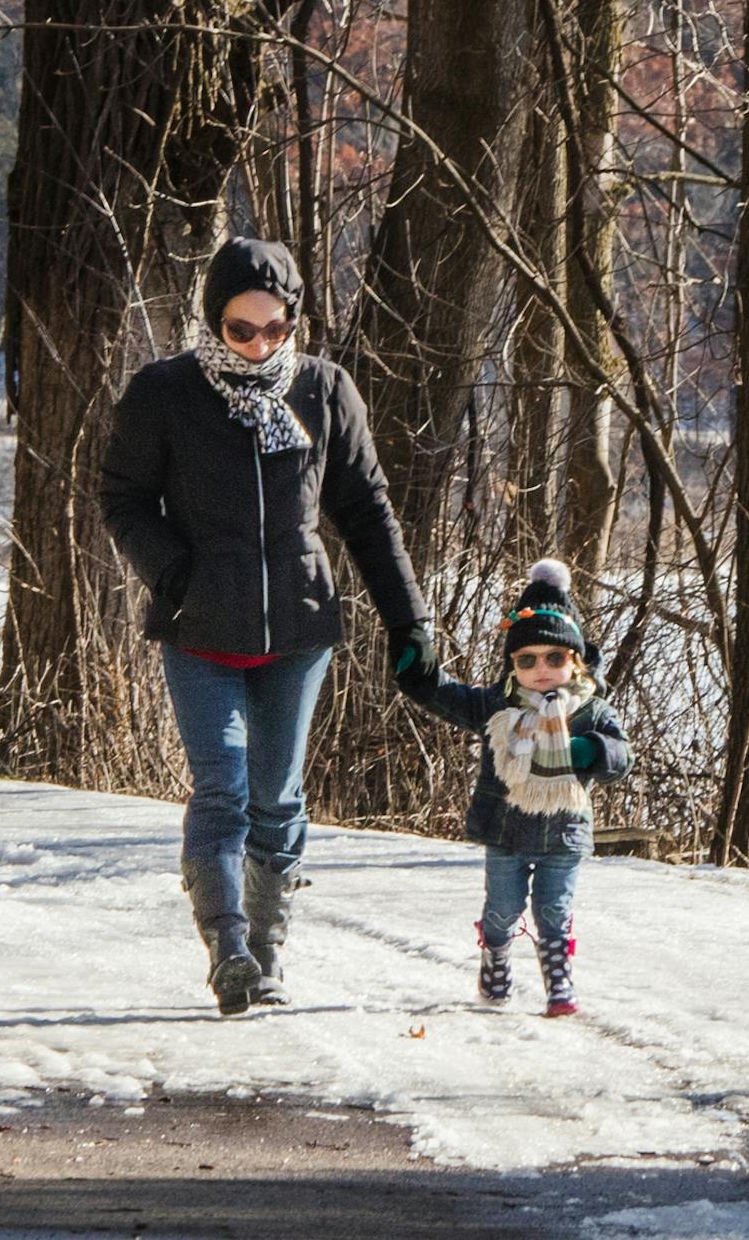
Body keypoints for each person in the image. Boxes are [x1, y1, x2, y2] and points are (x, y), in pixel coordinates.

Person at [99, 236, 436, 1015]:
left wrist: (409, 618)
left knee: (277, 796)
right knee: (223, 787)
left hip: (297, 629)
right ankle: (228, 951)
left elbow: (368, 514)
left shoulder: (322, 391)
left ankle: (266, 949)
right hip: (200, 629)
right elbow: (121, 498)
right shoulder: (166, 394)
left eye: (274, 329)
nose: (258, 345)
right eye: (241, 330)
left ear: (294, 323)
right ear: (212, 322)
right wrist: (174, 572)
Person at [395, 559, 631, 1017]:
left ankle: (558, 981)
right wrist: (417, 669)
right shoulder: (494, 706)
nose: (541, 670)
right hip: (504, 833)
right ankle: (496, 954)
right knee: (502, 910)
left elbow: (623, 757)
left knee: (553, 913)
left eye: (555, 658)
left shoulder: (592, 711)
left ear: (576, 660)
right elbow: (443, 695)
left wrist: (593, 751)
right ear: (513, 665)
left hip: (564, 834)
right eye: (528, 660)